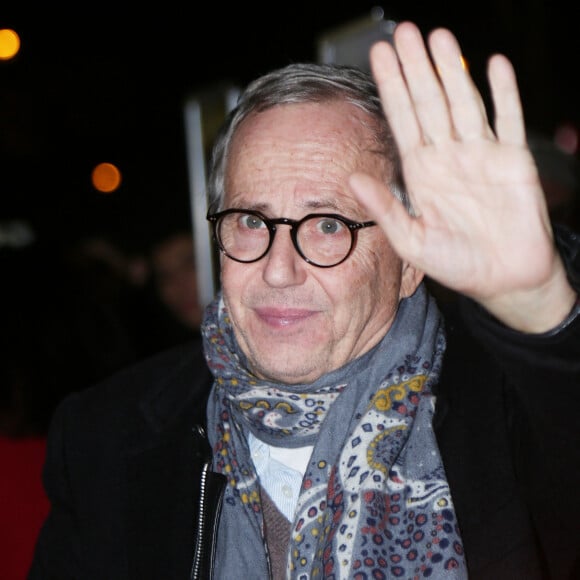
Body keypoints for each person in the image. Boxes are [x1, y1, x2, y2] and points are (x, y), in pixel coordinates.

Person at [29, 21, 580, 580]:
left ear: (410, 260)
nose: (277, 268)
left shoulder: (512, 411)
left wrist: (540, 309)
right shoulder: (107, 438)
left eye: (327, 225)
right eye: (250, 220)